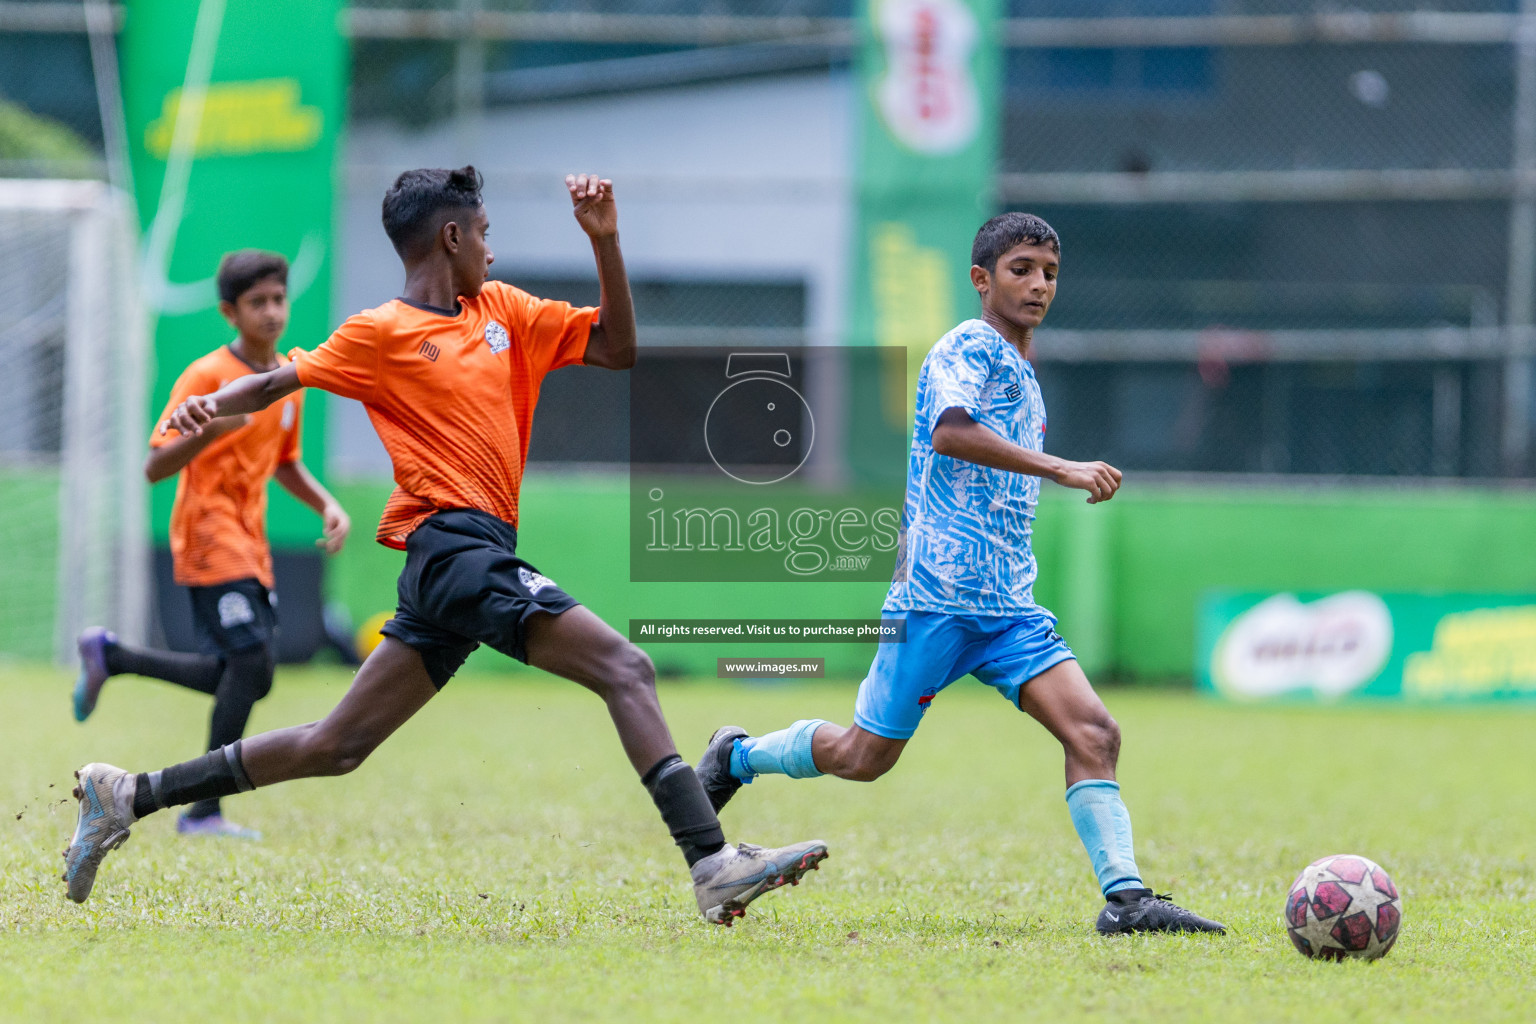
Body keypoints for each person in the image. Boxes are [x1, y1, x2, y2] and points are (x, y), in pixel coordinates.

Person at [62, 167, 827, 925]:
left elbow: (618, 347)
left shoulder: (506, 311)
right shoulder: (380, 333)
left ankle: (128, 794)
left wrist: (607, 243)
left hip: (458, 559)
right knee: (625, 668)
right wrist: (207, 406)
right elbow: (276, 382)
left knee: (336, 745)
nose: (492, 253)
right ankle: (711, 862)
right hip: (455, 547)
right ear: (451, 237)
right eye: (485, 235)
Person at [695, 213, 1226, 936]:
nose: (1038, 284)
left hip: (1008, 608)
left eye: (1049, 272)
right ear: (981, 279)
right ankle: (740, 755)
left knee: (1095, 732)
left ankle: (1127, 901)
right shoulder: (967, 347)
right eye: (1021, 269)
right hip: (935, 600)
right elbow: (951, 430)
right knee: (863, 756)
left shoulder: (1021, 366)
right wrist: (1061, 465)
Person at [72, 250, 350, 840]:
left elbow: (287, 462)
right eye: (257, 303)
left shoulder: (288, 382)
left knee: (247, 673)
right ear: (231, 311)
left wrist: (327, 504)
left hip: (252, 543)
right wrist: (208, 432)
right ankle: (203, 811)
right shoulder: (206, 378)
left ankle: (112, 657)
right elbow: (154, 467)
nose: (272, 312)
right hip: (206, 535)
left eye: (278, 299)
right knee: (250, 665)